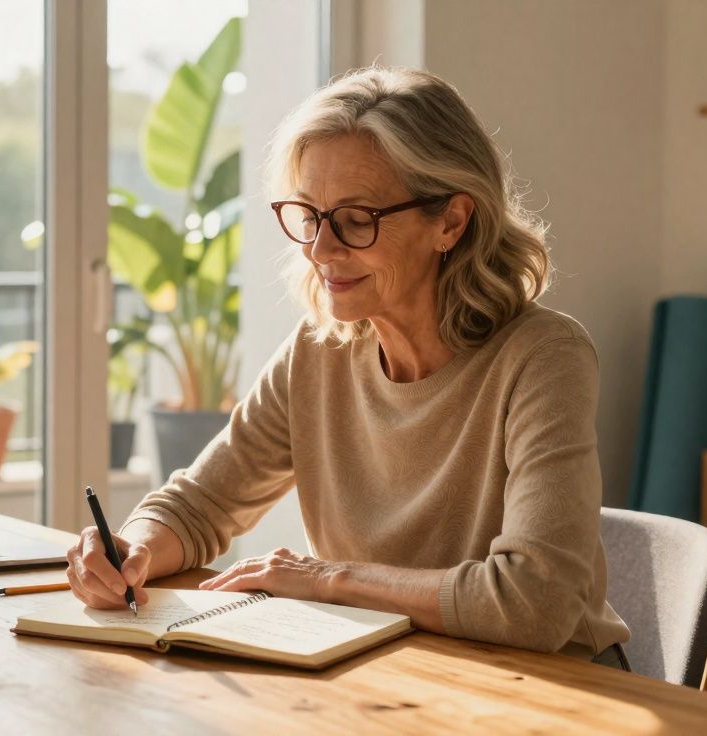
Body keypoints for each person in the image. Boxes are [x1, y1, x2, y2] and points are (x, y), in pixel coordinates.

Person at [65, 66, 631, 667]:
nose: (319, 249)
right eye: (309, 215)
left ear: (451, 221)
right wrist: (131, 548)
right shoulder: (320, 351)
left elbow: (534, 603)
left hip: (551, 691)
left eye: (357, 219)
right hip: (386, 673)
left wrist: (328, 578)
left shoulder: (543, 358)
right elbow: (199, 505)